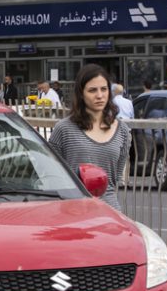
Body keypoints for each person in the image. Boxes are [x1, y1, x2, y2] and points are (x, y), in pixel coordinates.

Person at [48, 64, 131, 212]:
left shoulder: (123, 131)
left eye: (104, 89)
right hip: (74, 212)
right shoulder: (63, 129)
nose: (99, 95)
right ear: (81, 93)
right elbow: (51, 173)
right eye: (92, 90)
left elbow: (115, 178)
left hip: (110, 213)